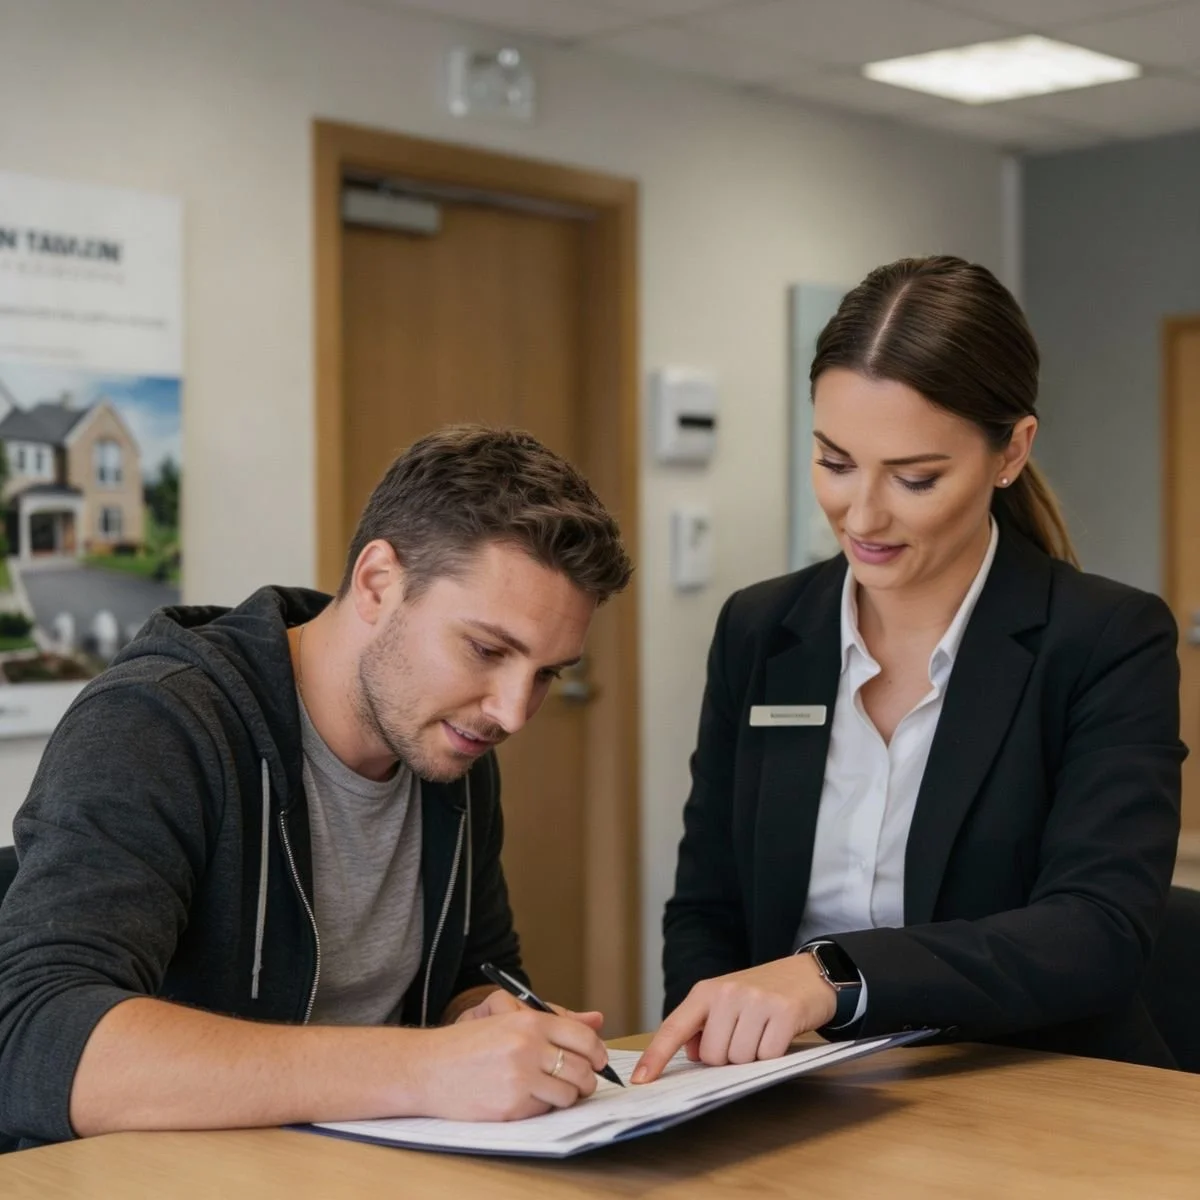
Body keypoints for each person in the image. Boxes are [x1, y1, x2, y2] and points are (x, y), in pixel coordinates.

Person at [0, 424, 633, 1147]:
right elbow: (33, 1038)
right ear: (377, 584)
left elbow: (473, 970)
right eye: (487, 650)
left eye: (548, 673)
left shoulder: (450, 746)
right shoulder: (157, 724)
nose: (513, 711)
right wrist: (425, 1069)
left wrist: (490, 1020)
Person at [634, 255, 1185, 1085]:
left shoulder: (1105, 638)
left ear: (1012, 452)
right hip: (796, 1092)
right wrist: (720, 1066)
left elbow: (1095, 930)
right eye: (835, 461)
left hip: (1026, 1090)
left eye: (916, 478)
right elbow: (709, 906)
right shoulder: (761, 630)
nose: (862, 515)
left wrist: (834, 977)